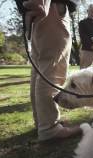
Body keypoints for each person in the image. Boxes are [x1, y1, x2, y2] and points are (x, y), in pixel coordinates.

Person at [21, 0, 81, 141]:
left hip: (44, 14)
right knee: (52, 69)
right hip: (52, 10)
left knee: (42, 69)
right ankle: (49, 128)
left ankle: (42, 122)